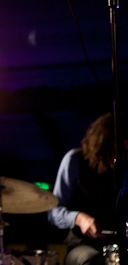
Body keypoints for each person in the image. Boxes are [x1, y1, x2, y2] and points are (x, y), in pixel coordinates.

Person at [47, 112, 128, 265]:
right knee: (94, 261)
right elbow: (53, 212)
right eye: (116, 150)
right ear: (105, 143)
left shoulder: (122, 170)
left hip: (119, 244)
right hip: (83, 245)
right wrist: (79, 218)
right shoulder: (75, 160)